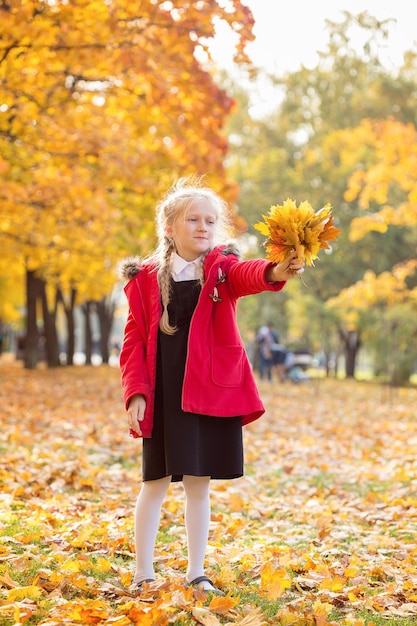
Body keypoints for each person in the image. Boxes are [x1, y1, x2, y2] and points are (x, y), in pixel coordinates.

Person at [119, 177, 304, 595]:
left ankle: (195, 572)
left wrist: (278, 269)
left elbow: (252, 275)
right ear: (169, 227)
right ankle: (143, 573)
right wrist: (136, 392)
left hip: (207, 392)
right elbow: (134, 341)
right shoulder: (146, 280)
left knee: (198, 484)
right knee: (155, 484)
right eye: (193, 220)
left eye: (210, 220)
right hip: (164, 396)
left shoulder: (222, 270)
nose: (203, 227)